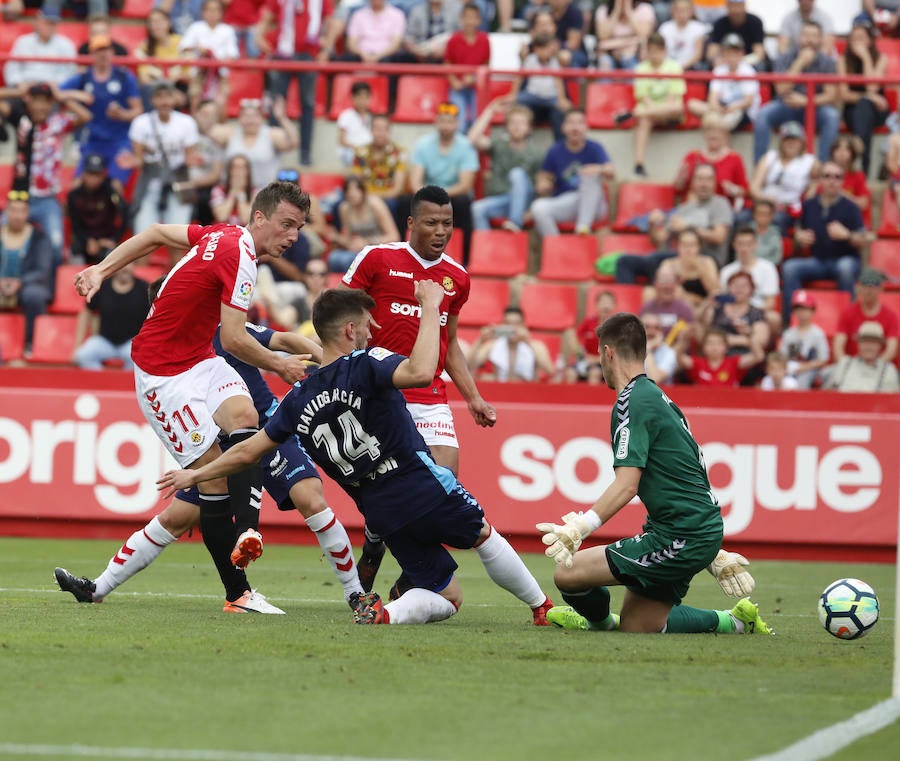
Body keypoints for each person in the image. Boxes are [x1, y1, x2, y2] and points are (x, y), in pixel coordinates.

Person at [159, 286, 547, 626]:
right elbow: (423, 372)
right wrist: (430, 307)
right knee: (482, 534)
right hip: (421, 484)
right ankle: (541, 606)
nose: (372, 331)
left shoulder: (297, 400)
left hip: (381, 509)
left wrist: (193, 476)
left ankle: (385, 613)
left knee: (448, 596)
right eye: (366, 324)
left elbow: (247, 451)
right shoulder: (366, 364)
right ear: (349, 330)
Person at [64, 181, 312, 613]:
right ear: (259, 218)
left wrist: (101, 270)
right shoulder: (241, 257)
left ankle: (247, 532)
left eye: (299, 227)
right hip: (163, 375)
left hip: (199, 358)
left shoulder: (224, 234)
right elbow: (234, 340)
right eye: (286, 224)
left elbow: (158, 232)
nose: (292, 236)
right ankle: (238, 594)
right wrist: (280, 365)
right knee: (211, 483)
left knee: (244, 414)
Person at [59, 306, 368, 613]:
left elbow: (285, 340)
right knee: (176, 518)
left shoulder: (224, 332)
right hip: (222, 446)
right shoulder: (169, 356)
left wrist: (332, 364)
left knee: (311, 499)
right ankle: (96, 589)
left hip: (266, 427)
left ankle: (355, 593)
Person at [341, 185, 553, 624]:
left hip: (432, 393)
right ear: (412, 224)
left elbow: (450, 342)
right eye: (432, 224)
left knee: (443, 483)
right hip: (383, 390)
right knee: (396, 489)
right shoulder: (376, 259)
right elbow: (339, 314)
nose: (441, 233)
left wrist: (474, 396)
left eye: (448, 225)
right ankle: (379, 539)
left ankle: (407, 577)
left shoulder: (457, 276)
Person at [535, 312, 769, 635]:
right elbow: (689, 474)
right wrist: (710, 551)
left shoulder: (632, 401)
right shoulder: (658, 397)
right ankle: (737, 621)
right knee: (637, 626)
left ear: (608, 353)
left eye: (599, 355)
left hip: (679, 534)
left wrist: (580, 526)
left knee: (566, 574)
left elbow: (627, 485)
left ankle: (598, 624)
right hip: (692, 528)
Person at [0, 81, 91, 269]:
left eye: (46, 101)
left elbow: (85, 116)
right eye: (37, 101)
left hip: (48, 199)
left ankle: (43, 285)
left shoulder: (58, 122)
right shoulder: (20, 118)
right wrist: (17, 91)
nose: (41, 106)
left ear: (52, 104)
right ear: (29, 101)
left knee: (57, 249)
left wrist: (61, 96)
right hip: (19, 197)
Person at [782, 160, 866, 321]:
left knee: (845, 267)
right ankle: (792, 322)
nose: (832, 181)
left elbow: (863, 242)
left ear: (843, 181)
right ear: (820, 180)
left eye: (837, 177)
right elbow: (798, 236)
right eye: (827, 176)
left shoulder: (851, 207)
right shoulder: (809, 205)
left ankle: (848, 322)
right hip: (817, 261)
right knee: (790, 268)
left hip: (845, 259)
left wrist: (847, 235)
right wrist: (799, 238)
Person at [255, 0, 334, 166]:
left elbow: (330, 22)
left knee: (307, 105)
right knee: (277, 104)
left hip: (308, 55)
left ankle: (305, 153)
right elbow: (265, 20)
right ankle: (271, 148)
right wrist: (263, 42)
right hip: (283, 55)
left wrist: (325, 50)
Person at [60, 34, 143, 187]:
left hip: (120, 140)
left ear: (112, 52)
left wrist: (123, 114)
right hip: (93, 140)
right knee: (77, 185)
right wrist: (78, 97)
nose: (103, 54)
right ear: (92, 54)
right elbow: (56, 93)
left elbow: (138, 110)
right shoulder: (84, 78)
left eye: (106, 49)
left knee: (115, 186)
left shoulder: (124, 77)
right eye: (98, 50)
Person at [753, 21, 839, 164]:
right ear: (799, 38)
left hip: (814, 108)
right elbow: (781, 89)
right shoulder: (784, 57)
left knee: (832, 116)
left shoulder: (828, 62)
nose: (810, 40)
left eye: (814, 36)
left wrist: (807, 101)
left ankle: (824, 168)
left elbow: (830, 95)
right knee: (763, 115)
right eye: (806, 35)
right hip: (786, 106)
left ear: (820, 39)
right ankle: (760, 168)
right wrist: (800, 62)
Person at [127, 81, 201, 235]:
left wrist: (195, 162)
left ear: (174, 98)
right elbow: (139, 160)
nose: (164, 101)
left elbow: (189, 158)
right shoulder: (141, 123)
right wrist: (133, 162)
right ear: (152, 100)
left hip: (178, 184)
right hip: (150, 183)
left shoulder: (186, 123)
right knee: (142, 241)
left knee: (178, 240)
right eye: (159, 97)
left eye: (168, 96)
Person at [408, 103, 479, 263]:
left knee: (463, 203)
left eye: (450, 121)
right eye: (442, 121)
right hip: (428, 194)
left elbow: (465, 185)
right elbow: (414, 182)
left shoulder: (465, 146)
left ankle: (465, 258)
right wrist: (428, 196)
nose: (446, 125)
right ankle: (401, 250)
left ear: (457, 123)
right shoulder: (423, 144)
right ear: (436, 122)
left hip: (453, 195)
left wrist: (439, 196)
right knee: (404, 204)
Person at [531, 108, 615, 238]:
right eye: (571, 123)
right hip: (568, 202)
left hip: (593, 205)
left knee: (589, 178)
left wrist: (597, 169)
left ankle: (582, 229)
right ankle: (556, 245)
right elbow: (544, 176)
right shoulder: (555, 150)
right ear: (563, 127)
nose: (575, 128)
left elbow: (611, 172)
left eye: (579, 123)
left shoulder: (595, 148)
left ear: (586, 127)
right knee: (538, 207)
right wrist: (543, 184)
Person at [615, 32, 686, 178]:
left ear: (664, 51)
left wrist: (652, 110)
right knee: (644, 121)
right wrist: (654, 110)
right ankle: (639, 164)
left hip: (670, 112)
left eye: (657, 51)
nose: (654, 55)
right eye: (651, 51)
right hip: (650, 112)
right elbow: (644, 97)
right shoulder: (641, 68)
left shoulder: (674, 67)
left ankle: (632, 114)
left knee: (678, 107)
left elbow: (673, 97)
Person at [468, 101, 543, 233]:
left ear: (529, 128)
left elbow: (542, 187)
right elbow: (472, 139)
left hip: (525, 202)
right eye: (513, 123)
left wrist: (531, 212)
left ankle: (515, 223)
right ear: (507, 126)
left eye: (521, 123)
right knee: (477, 208)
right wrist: (490, 112)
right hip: (503, 200)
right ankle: (486, 249)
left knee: (517, 173)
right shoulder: (499, 144)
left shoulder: (537, 153)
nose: (516, 127)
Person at [0, 190, 54, 356]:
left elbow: (42, 270)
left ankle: (31, 344)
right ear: (7, 212)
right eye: (13, 210)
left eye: (21, 211)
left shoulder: (39, 237)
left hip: (27, 285)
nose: (17, 215)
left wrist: (19, 282)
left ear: (27, 213)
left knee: (34, 295)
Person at [72, 263, 149, 370]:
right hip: (104, 341)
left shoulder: (144, 288)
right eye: (122, 264)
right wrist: (77, 346)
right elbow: (86, 313)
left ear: (134, 265)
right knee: (82, 356)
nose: (125, 268)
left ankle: (123, 385)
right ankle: (100, 384)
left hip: (132, 343)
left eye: (129, 264)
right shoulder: (102, 286)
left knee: (140, 360)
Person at [209, 97, 297, 189]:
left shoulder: (271, 135)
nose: (250, 120)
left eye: (254, 116)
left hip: (265, 193)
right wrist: (218, 110)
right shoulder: (230, 134)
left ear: (261, 118)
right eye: (246, 116)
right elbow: (208, 131)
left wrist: (282, 118)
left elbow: (293, 142)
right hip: (233, 191)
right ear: (239, 118)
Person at [836, 22, 888, 177]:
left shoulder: (881, 58)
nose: (857, 42)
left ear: (870, 41)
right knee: (863, 106)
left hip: (878, 110)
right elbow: (844, 94)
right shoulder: (842, 60)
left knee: (864, 108)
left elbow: (872, 86)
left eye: (861, 38)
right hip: (853, 110)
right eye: (853, 38)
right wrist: (869, 97)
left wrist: (865, 58)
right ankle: (864, 163)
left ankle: (861, 161)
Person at [748, 120, 817, 236]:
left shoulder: (809, 161)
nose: (791, 143)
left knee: (776, 220)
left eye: (794, 139)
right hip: (764, 204)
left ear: (801, 142)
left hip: (788, 210)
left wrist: (811, 192)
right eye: (787, 139)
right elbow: (754, 187)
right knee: (741, 218)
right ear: (781, 141)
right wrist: (767, 199)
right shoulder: (770, 157)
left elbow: (820, 180)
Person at [672, 112, 748, 208]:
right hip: (693, 209)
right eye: (709, 130)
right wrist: (679, 181)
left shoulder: (735, 158)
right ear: (703, 133)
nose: (713, 135)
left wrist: (733, 189)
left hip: (721, 211)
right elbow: (677, 191)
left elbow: (744, 191)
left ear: (725, 134)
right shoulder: (692, 156)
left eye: (717, 131)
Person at [327, 176, 400, 274]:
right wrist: (336, 237)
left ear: (363, 191)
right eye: (349, 190)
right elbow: (348, 238)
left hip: (377, 248)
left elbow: (394, 236)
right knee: (333, 258)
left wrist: (367, 242)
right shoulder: (344, 208)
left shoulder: (375, 204)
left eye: (356, 189)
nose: (353, 193)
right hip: (357, 250)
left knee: (349, 261)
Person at [688, 34, 760, 132]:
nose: (732, 56)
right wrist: (718, 108)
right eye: (729, 52)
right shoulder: (719, 70)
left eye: (735, 52)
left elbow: (747, 102)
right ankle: (716, 122)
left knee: (721, 119)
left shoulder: (748, 71)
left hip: (741, 111)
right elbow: (713, 98)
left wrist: (731, 107)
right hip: (722, 108)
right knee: (693, 104)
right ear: (723, 53)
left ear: (741, 53)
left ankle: (715, 124)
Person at [66, 153, 129, 265]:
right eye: (90, 174)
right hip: (84, 239)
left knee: (113, 257)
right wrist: (88, 240)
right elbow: (75, 224)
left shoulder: (110, 192)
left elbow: (125, 214)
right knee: (74, 253)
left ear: (103, 175)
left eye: (97, 175)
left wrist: (114, 240)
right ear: (83, 174)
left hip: (106, 240)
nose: (93, 179)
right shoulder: (74, 195)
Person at [178, 0, 239, 113]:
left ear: (221, 12)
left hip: (220, 74)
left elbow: (233, 54)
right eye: (209, 10)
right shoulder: (196, 27)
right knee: (195, 98)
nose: (212, 13)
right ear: (203, 12)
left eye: (216, 10)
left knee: (221, 102)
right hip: (199, 72)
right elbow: (183, 47)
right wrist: (198, 48)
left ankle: (219, 127)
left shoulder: (227, 30)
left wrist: (218, 60)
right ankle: (196, 123)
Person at [467, 305, 556, 382]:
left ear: (523, 325)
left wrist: (527, 341)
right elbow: (469, 366)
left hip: (528, 392)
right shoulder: (492, 345)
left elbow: (550, 371)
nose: (513, 328)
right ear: (503, 325)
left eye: (516, 324)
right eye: (508, 324)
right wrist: (480, 340)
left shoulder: (536, 346)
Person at [510, 32, 571, 141]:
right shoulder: (530, 60)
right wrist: (513, 95)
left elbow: (558, 80)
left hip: (550, 98)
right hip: (531, 96)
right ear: (535, 49)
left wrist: (561, 98)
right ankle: (523, 142)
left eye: (546, 48)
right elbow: (520, 77)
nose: (543, 52)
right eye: (540, 48)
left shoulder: (555, 62)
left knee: (561, 112)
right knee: (518, 107)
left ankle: (561, 145)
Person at [833, 268, 899, 364]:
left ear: (880, 289)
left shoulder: (890, 316)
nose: (868, 290)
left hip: (880, 366)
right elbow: (838, 346)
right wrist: (846, 366)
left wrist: (875, 366)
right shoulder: (847, 313)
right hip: (853, 365)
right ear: (858, 288)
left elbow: (891, 350)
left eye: (872, 287)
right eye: (864, 286)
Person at [351, 114, 408, 222]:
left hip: (387, 198)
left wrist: (374, 198)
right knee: (342, 205)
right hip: (363, 197)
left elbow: (397, 189)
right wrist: (365, 197)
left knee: (392, 205)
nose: (380, 133)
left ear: (389, 131)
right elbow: (356, 183)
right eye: (376, 129)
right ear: (371, 130)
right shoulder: (360, 152)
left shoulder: (400, 153)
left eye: (384, 129)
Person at [444, 2, 490, 132]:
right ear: (461, 19)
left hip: (477, 88)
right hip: (457, 88)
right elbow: (447, 63)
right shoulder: (453, 40)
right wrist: (454, 82)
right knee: (460, 123)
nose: (470, 21)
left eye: (473, 17)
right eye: (467, 17)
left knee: (478, 122)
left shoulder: (484, 40)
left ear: (479, 20)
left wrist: (475, 79)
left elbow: (486, 65)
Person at [2, 10, 77, 89]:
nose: (49, 26)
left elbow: (70, 72)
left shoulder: (66, 44)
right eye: (46, 22)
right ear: (37, 22)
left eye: (53, 23)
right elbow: (11, 69)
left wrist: (53, 85)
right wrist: (20, 84)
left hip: (54, 90)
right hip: (24, 87)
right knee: (4, 101)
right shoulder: (23, 41)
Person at [704, 270, 770, 358]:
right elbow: (704, 330)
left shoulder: (756, 312)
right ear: (728, 288)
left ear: (751, 290)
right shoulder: (717, 309)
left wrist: (747, 332)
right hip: (717, 355)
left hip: (745, 357)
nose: (739, 289)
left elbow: (761, 340)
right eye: (735, 285)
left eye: (744, 286)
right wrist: (706, 304)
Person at [135, 7, 190, 111]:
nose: (155, 26)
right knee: (148, 91)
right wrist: (165, 92)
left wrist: (172, 88)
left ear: (168, 23)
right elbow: (144, 79)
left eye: (159, 21)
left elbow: (189, 74)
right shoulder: (144, 48)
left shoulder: (182, 43)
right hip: (155, 91)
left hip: (179, 88)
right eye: (152, 22)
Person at [821, 321, 900, 393]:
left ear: (880, 346)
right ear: (858, 344)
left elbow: (891, 402)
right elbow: (827, 395)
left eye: (873, 342)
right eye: (865, 341)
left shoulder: (888, 370)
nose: (869, 346)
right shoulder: (845, 364)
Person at [561, 289, 616, 384]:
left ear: (614, 306)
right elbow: (576, 338)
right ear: (596, 305)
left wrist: (596, 360)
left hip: (605, 364)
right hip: (586, 360)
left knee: (594, 373)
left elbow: (615, 353)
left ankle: (592, 399)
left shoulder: (616, 326)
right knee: (570, 373)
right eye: (602, 302)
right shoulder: (589, 322)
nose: (605, 305)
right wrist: (579, 352)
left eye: (608, 302)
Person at [679, 325, 764, 386]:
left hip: (728, 405)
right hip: (703, 405)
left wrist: (749, 334)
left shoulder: (734, 362)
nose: (714, 347)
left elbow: (758, 356)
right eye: (710, 343)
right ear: (703, 347)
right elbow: (680, 358)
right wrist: (684, 339)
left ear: (726, 347)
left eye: (719, 343)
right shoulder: (697, 362)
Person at [778, 289, 829, 389]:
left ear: (812, 311)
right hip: (790, 368)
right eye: (798, 309)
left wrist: (803, 367)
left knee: (803, 377)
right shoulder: (789, 333)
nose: (801, 312)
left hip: (812, 370)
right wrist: (787, 368)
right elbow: (782, 356)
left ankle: (799, 403)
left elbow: (823, 359)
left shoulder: (817, 333)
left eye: (805, 308)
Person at [594, 0, 657, 72]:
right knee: (605, 61)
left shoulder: (645, 9)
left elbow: (644, 35)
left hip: (635, 55)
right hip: (609, 54)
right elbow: (602, 37)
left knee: (629, 59)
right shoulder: (603, 10)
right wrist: (616, 12)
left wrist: (628, 11)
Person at [705, 0, 766, 70]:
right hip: (724, 65)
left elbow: (759, 54)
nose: (736, 10)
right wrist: (723, 61)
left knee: (760, 67)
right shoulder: (719, 24)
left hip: (749, 65)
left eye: (738, 6)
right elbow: (711, 54)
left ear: (744, 6)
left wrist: (738, 61)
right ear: (727, 7)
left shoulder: (755, 22)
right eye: (733, 6)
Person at [657, 0, 707, 71]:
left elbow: (698, 55)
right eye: (679, 10)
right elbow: (660, 50)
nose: (682, 13)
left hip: (690, 68)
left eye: (685, 10)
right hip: (667, 67)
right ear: (672, 11)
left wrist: (680, 67)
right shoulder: (665, 28)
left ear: (692, 11)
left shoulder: (698, 28)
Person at [210, 154, 255, 225]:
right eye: (235, 167)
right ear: (229, 170)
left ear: (248, 171)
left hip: (245, 234)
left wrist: (241, 194)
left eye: (242, 167)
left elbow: (246, 219)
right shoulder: (218, 190)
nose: (238, 172)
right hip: (222, 233)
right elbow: (221, 217)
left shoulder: (255, 192)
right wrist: (232, 193)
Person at [336, 82, 373, 167]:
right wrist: (358, 148)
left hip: (367, 151)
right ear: (352, 97)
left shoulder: (372, 117)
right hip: (350, 151)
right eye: (359, 97)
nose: (362, 101)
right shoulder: (346, 115)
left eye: (365, 97)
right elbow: (342, 140)